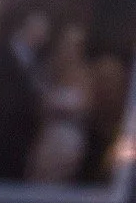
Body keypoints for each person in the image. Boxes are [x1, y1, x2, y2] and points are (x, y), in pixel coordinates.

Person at [0, 7, 51, 183]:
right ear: (26, 28)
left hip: (20, 138)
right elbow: (1, 96)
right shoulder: (2, 56)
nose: (43, 38)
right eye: (40, 31)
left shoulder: (35, 60)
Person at [27, 21, 95, 185]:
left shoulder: (85, 74)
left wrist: (62, 111)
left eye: (75, 44)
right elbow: (37, 105)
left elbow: (87, 108)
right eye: (66, 43)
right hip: (47, 135)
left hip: (69, 138)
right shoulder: (49, 69)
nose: (70, 48)